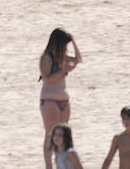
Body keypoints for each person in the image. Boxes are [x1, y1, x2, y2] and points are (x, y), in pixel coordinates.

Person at [38, 28, 80, 169]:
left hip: (63, 99)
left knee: (63, 134)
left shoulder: (61, 56)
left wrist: (73, 41)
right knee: (50, 134)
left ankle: (60, 163)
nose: (65, 47)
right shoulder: (46, 57)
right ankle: (48, 166)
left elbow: (78, 59)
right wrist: (63, 70)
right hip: (49, 99)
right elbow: (47, 79)